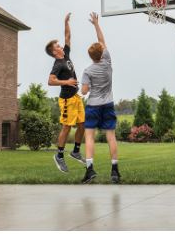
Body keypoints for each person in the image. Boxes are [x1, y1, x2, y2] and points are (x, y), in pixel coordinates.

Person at [80, 12, 120, 184]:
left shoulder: (88, 70)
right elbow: (102, 40)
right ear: (102, 53)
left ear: (91, 56)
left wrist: (84, 85)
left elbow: (83, 91)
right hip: (108, 105)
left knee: (89, 137)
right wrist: (96, 24)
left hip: (93, 106)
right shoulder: (107, 61)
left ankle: (89, 170)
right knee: (111, 137)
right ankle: (115, 171)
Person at [46, 13, 86, 173]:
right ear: (54, 52)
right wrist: (67, 82)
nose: (61, 46)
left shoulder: (66, 56)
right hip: (67, 99)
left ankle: (75, 151)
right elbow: (50, 80)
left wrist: (65, 22)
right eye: (58, 47)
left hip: (76, 97)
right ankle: (59, 156)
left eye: (60, 46)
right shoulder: (58, 64)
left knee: (83, 124)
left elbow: (67, 36)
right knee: (67, 128)